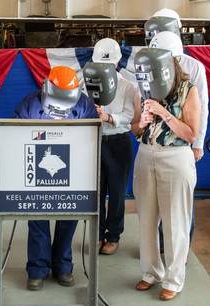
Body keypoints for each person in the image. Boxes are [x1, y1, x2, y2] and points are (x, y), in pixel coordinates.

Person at [15, 66, 98, 291]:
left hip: (73, 172)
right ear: (47, 86)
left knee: (69, 217)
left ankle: (63, 266)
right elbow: (16, 138)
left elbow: (93, 137)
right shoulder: (29, 105)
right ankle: (37, 269)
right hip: (38, 172)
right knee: (37, 218)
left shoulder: (84, 105)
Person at [131, 46, 201, 300]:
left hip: (176, 158)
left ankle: (173, 279)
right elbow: (135, 129)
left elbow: (191, 134)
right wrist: (142, 123)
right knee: (147, 220)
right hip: (146, 153)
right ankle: (150, 273)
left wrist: (164, 113)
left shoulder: (189, 90)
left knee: (175, 222)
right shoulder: (145, 90)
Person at [147, 28, 209, 251]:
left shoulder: (194, 69)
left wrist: (198, 143)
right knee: (159, 201)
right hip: (157, 145)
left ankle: (181, 249)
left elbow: (202, 107)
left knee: (181, 204)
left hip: (182, 145)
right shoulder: (152, 68)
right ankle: (163, 246)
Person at [91, 38, 135, 255]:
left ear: (117, 63)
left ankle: (113, 236)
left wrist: (109, 117)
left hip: (119, 142)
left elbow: (129, 116)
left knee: (117, 193)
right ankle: (97, 234)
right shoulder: (86, 84)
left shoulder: (127, 86)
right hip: (95, 140)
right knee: (97, 191)